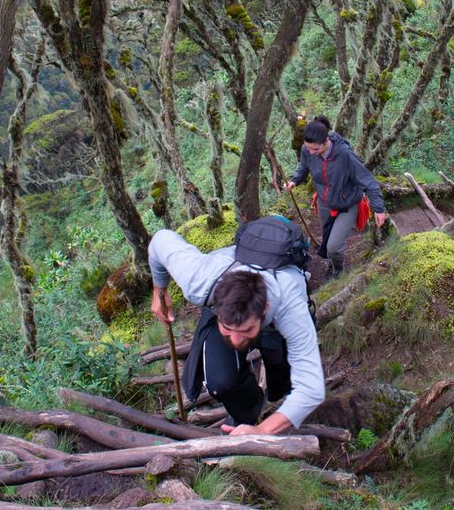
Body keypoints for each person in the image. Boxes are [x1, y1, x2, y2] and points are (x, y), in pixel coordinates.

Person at [148, 228, 325, 434]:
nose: (236, 339)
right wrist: (159, 290)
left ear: (265, 307)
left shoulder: (290, 306)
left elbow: (311, 388)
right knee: (221, 382)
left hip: (278, 301)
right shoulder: (199, 281)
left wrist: (263, 430)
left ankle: (276, 398)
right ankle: (247, 413)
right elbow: (160, 240)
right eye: (228, 329)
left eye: (246, 330)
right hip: (226, 285)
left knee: (282, 380)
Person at [284, 115, 388, 279]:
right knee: (327, 238)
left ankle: (339, 269)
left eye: (315, 149)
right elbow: (303, 166)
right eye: (308, 148)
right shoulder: (308, 150)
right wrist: (295, 180)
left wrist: (379, 209)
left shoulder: (345, 155)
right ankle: (332, 264)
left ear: (326, 142)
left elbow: (368, 181)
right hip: (324, 202)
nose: (311, 152)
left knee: (333, 247)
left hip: (347, 204)